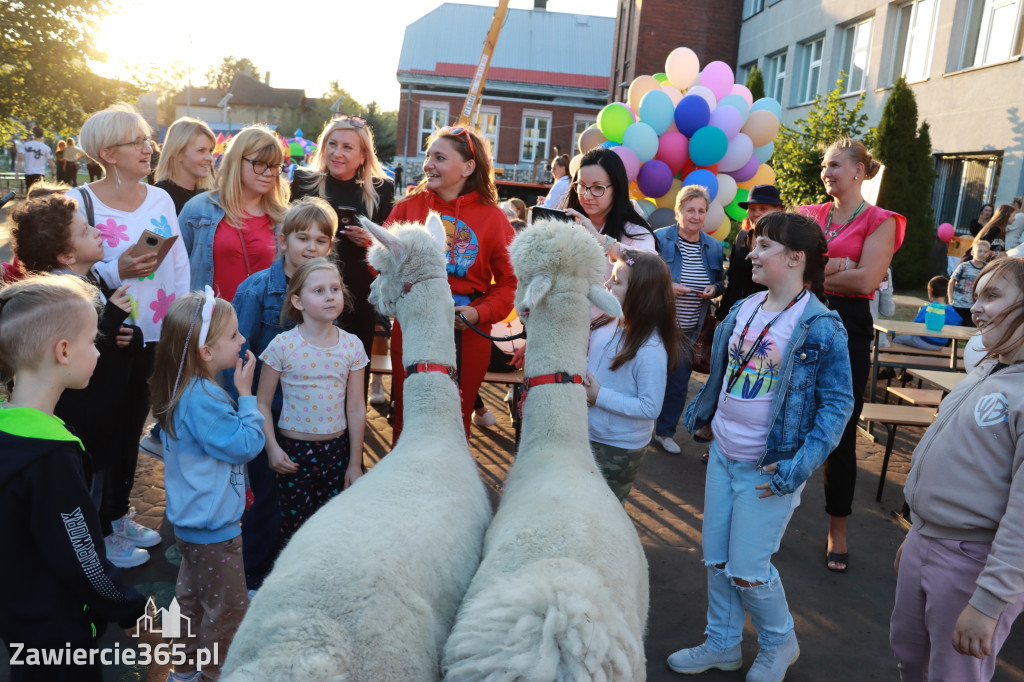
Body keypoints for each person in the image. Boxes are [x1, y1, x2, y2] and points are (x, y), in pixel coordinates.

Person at [667, 211, 854, 681]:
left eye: (765, 246)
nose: (753, 251)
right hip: (725, 458)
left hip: (770, 469)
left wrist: (799, 464)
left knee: (749, 568)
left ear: (795, 259)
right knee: (717, 558)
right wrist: (705, 417)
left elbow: (837, 407)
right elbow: (723, 373)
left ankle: (779, 642)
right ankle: (723, 644)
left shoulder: (822, 325)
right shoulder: (745, 307)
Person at [0, 274, 148, 682]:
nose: (98, 353)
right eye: (92, 342)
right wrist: (127, 607)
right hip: (59, 636)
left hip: (18, 619)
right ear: (63, 351)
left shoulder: (8, 431)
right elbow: (83, 554)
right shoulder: (50, 456)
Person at [890, 257, 1024, 681]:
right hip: (925, 543)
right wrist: (919, 532)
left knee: (953, 673)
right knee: (910, 657)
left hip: (973, 564)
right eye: (976, 295)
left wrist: (989, 602)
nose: (976, 307)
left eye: (992, 295)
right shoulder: (986, 370)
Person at [67, 102, 191, 558]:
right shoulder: (78, 203)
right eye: (136, 141)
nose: (148, 148)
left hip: (154, 333)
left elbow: (177, 264)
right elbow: (68, 271)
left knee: (131, 428)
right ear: (107, 152)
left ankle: (118, 517)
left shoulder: (159, 198)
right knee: (98, 433)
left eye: (147, 139)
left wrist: (181, 322)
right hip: (102, 337)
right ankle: (95, 530)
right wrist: (117, 269)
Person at [9, 185, 150, 568]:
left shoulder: (90, 281)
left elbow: (103, 344)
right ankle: (93, 549)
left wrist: (129, 338)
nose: (99, 233)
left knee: (103, 478)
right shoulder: (59, 298)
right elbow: (70, 353)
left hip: (104, 411)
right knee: (85, 490)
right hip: (82, 418)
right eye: (87, 231)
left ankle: (106, 529)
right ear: (67, 254)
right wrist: (112, 320)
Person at [798, 137, 905, 573]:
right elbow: (791, 267)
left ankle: (836, 530)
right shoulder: (808, 215)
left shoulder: (882, 220)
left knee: (840, 432)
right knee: (782, 413)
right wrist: (842, 265)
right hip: (800, 321)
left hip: (847, 331)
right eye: (824, 165)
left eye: (835, 164)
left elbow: (866, 284)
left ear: (860, 170)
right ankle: (763, 513)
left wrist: (819, 272)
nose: (826, 172)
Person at [151, 289, 265, 682]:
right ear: (205, 352)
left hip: (191, 527)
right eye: (234, 336)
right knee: (227, 612)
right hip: (214, 532)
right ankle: (214, 675)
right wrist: (248, 397)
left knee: (190, 603)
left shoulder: (182, 389)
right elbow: (246, 445)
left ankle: (182, 671)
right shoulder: (205, 399)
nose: (242, 341)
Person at [384, 126, 516, 442]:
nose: (428, 164)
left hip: (467, 336)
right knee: (407, 417)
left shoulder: (493, 218)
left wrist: (478, 313)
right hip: (413, 328)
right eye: (429, 156)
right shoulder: (408, 208)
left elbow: (512, 283)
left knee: (454, 424)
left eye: (439, 158)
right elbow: (382, 268)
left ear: (468, 167)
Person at [232, 197, 337, 589]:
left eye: (321, 240)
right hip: (267, 414)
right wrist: (243, 414)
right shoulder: (257, 290)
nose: (311, 247)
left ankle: (294, 572)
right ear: (283, 240)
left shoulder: (326, 290)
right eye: (302, 238)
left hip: (311, 417)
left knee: (301, 500)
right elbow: (237, 355)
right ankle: (252, 575)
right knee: (264, 497)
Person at [257, 258, 367, 541]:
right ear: (298, 301)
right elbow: (261, 403)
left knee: (330, 527)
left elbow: (355, 408)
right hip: (292, 453)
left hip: (336, 453)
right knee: (293, 530)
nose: (330, 296)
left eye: (335, 289)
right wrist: (271, 448)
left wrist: (354, 462)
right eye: (318, 291)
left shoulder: (352, 345)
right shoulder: (282, 345)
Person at [291, 113, 394, 367]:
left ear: (363, 156)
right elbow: (288, 234)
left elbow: (392, 250)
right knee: (308, 366)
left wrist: (372, 241)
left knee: (357, 368)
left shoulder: (381, 190)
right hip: (311, 290)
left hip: (360, 293)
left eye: (347, 147)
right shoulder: (305, 182)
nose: (337, 153)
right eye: (332, 144)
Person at [586, 250, 681, 501]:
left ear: (641, 294)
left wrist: (598, 396)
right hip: (587, 434)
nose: (606, 284)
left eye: (616, 281)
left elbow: (650, 407)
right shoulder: (608, 323)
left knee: (603, 512)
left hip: (616, 447)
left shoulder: (650, 349)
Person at [650, 184, 725, 455]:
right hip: (656, 325)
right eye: (690, 210)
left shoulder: (714, 247)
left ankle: (664, 431)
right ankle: (640, 426)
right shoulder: (658, 238)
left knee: (678, 384)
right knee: (648, 377)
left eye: (701, 211)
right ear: (678, 212)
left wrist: (715, 290)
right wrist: (665, 285)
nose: (696, 216)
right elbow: (634, 267)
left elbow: (720, 282)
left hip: (689, 329)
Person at [179, 125, 289, 302]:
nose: (269, 173)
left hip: (262, 323)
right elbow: (173, 270)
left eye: (275, 166)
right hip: (208, 321)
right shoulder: (198, 209)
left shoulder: (285, 219)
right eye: (260, 164)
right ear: (237, 161)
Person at [565, 147, 656, 284]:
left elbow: (647, 268)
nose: (587, 195)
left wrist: (604, 242)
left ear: (617, 189)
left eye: (598, 188)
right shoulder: (568, 222)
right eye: (581, 186)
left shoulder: (635, 231)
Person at [717, 184, 785, 320]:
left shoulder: (786, 243)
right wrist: (721, 317)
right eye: (752, 209)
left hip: (766, 320)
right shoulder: (742, 237)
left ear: (779, 211)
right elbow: (733, 283)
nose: (756, 213)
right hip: (733, 318)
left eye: (763, 209)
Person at [154, 117, 217, 214]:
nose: (210, 158)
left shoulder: (208, 198)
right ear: (178, 153)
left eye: (210, 151)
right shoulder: (158, 198)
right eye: (201, 150)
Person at [891, 276, 962, 349]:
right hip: (940, 345)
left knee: (897, 340)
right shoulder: (951, 311)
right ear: (947, 293)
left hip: (923, 341)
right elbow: (957, 325)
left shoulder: (928, 308)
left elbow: (914, 327)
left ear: (930, 293)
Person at [950, 240, 991, 326]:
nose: (982, 254)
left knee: (969, 331)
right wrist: (950, 300)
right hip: (958, 305)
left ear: (988, 254)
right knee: (952, 327)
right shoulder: (964, 266)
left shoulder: (987, 269)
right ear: (972, 252)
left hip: (973, 307)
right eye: (979, 251)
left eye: (985, 251)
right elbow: (952, 282)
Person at [19, 125, 54, 191]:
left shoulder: (26, 145)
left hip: (29, 173)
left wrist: (16, 172)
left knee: (29, 193)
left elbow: (20, 158)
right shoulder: (46, 147)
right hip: (40, 173)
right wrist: (53, 174)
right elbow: (51, 163)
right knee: (39, 194)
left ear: (34, 134)